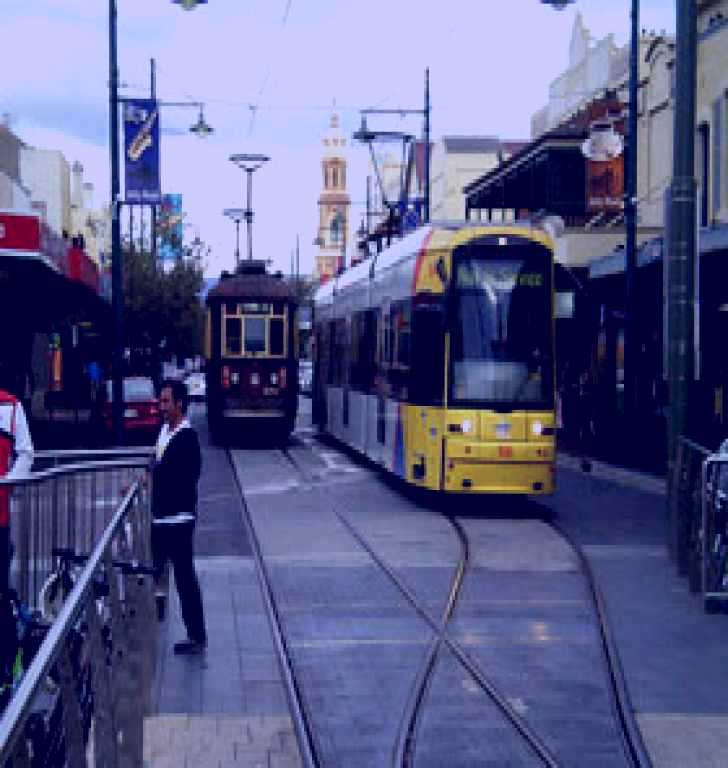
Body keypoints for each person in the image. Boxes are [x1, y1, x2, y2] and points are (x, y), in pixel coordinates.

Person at [151, 379, 207, 655]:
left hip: (180, 519)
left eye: (165, 401)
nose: (160, 406)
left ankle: (196, 634)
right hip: (160, 518)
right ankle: (153, 621)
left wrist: (160, 479)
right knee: (153, 573)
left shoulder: (188, 438)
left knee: (185, 578)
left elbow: (188, 476)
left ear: (179, 404)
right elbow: (156, 466)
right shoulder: (163, 432)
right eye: (160, 401)